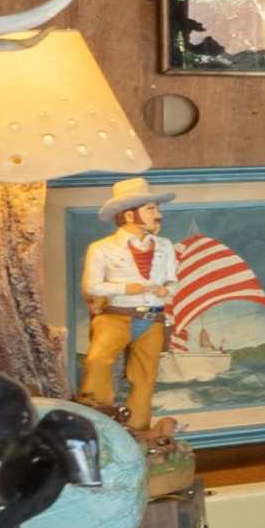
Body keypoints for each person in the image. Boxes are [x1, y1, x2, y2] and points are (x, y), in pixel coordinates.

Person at [75, 177, 178, 430]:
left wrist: (167, 290)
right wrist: (125, 288)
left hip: (152, 318)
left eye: (157, 209)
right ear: (130, 216)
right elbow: (91, 286)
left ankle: (137, 430)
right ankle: (98, 424)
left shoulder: (165, 246)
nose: (158, 215)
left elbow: (173, 280)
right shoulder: (101, 248)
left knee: (145, 377)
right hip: (115, 316)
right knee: (98, 361)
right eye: (151, 210)